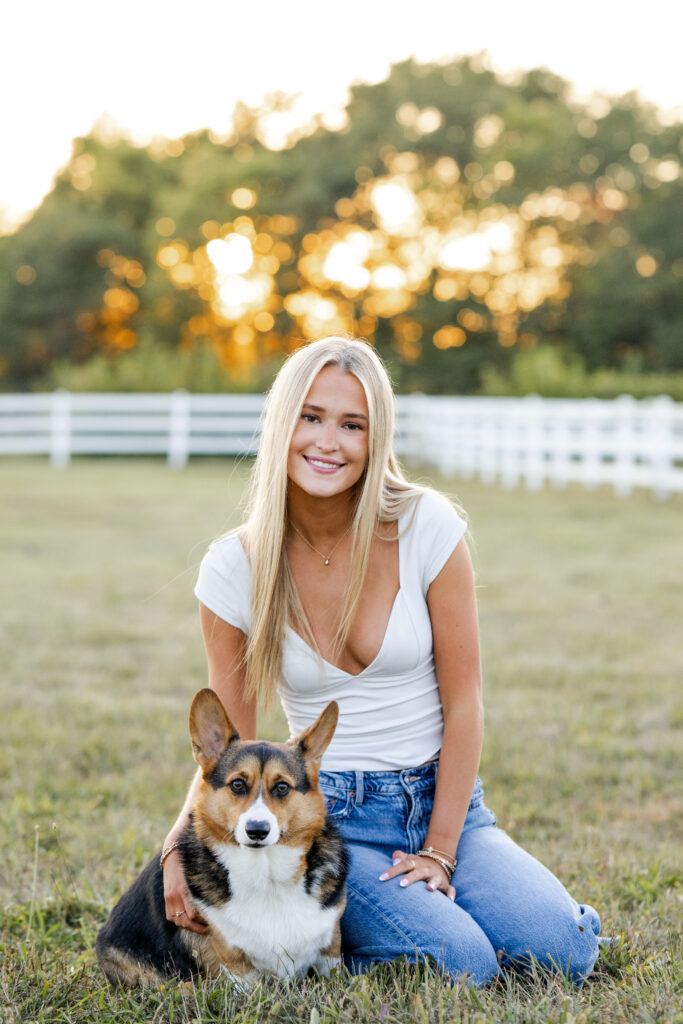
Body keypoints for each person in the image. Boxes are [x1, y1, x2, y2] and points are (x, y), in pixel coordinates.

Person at [161, 335, 601, 985]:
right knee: (463, 964)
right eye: (310, 417)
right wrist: (176, 847)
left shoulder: (428, 526)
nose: (327, 442)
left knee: (560, 953)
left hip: (443, 804)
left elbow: (465, 702)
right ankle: (325, 953)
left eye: (351, 424)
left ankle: (393, 925)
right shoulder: (235, 565)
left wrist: (441, 850)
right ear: (282, 422)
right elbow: (227, 749)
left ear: (375, 437)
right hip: (321, 819)